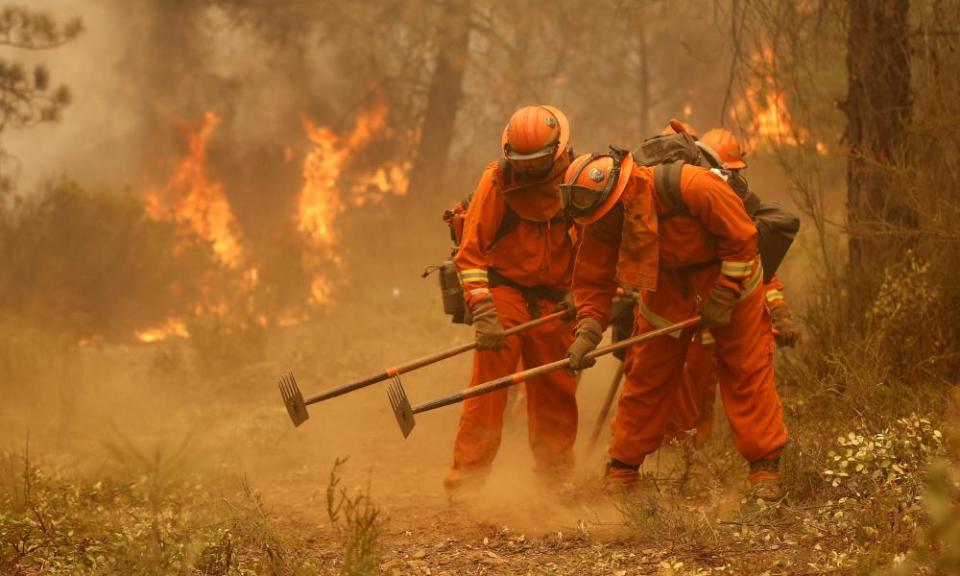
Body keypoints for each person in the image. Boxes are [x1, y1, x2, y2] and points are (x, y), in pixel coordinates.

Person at [562, 147, 788, 500]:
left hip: (731, 279)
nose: (604, 225)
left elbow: (744, 239)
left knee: (747, 371)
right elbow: (593, 280)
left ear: (622, 193)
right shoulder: (600, 219)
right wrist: (588, 330)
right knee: (645, 376)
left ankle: (764, 470)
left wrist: (726, 291)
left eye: (606, 216)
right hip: (666, 288)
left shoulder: (693, 186)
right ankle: (623, 469)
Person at [445, 105, 579, 496]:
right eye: (521, 162)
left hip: (557, 298)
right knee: (490, 381)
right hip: (504, 290)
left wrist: (582, 294)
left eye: (537, 161)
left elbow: (594, 244)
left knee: (556, 383)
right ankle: (467, 481)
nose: (529, 170)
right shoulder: (497, 181)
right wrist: (484, 311)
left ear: (557, 152)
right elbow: (470, 254)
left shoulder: (577, 179)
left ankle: (555, 481)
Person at [665, 128, 801, 444]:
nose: (733, 180)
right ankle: (672, 451)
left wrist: (778, 310)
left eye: (736, 174)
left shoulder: (736, 207)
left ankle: (693, 454)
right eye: (730, 172)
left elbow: (757, 269)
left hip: (719, 315)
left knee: (705, 385)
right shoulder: (686, 203)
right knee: (674, 385)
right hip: (679, 311)